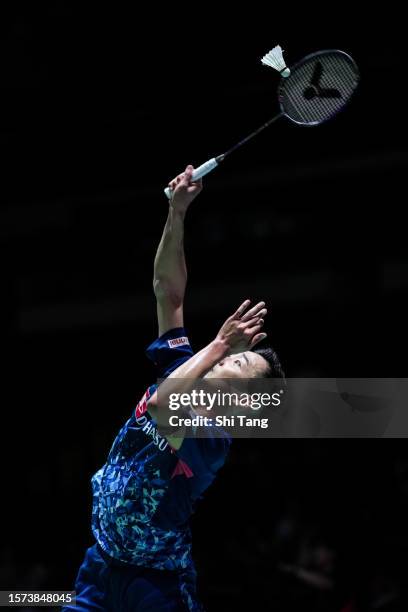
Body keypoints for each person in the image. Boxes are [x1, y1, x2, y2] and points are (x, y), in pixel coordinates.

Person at [63, 165, 285, 611]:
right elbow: (168, 292)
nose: (228, 356)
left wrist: (220, 341)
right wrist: (177, 211)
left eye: (240, 361)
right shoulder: (188, 368)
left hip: (157, 585)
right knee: (31, 599)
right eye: (234, 352)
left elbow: (165, 405)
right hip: (101, 567)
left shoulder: (212, 439)